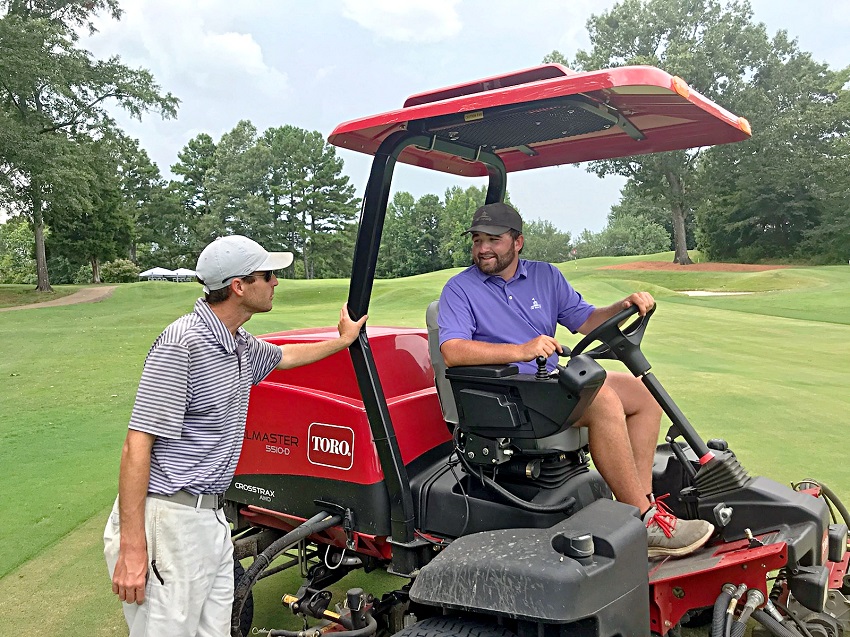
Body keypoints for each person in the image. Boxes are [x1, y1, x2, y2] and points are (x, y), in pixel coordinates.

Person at [104, 235, 367, 636]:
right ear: (239, 286)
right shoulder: (182, 344)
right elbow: (136, 447)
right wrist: (132, 546)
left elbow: (287, 356)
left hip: (210, 518)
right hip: (169, 520)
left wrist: (343, 340)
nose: (276, 282)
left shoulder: (240, 345)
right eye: (268, 275)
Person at [437, 202, 714, 559]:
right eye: (477, 240)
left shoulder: (545, 276)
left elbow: (586, 320)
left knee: (642, 395)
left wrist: (622, 306)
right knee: (602, 401)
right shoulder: (460, 289)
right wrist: (521, 349)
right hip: (508, 396)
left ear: (517, 242)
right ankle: (645, 521)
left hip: (548, 384)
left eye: (493, 239)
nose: (483, 248)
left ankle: (639, 508)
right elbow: (453, 350)